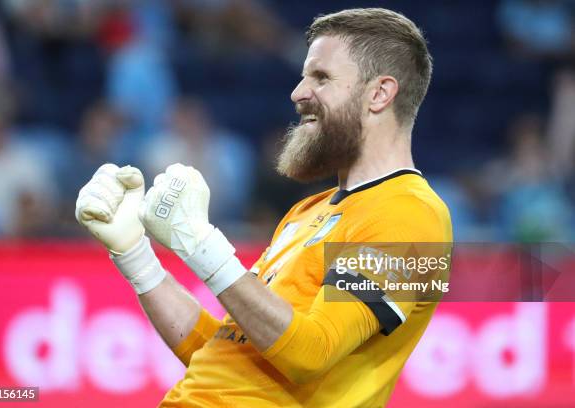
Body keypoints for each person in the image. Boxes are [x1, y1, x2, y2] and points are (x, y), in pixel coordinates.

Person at [75, 8, 452, 407]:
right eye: (305, 75)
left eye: (321, 78)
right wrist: (135, 254)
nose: (298, 93)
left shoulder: (412, 215)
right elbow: (226, 353)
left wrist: (199, 241)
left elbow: (311, 353)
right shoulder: (307, 211)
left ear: (379, 93)